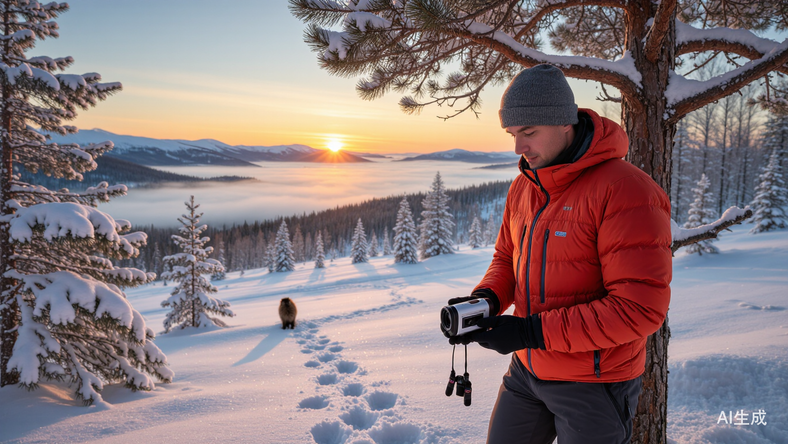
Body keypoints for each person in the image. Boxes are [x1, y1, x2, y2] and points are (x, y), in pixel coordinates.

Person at [449, 64, 672, 444]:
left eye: (529, 133)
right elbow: (506, 259)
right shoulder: (524, 188)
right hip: (527, 371)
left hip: (593, 382)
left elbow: (640, 309)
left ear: (564, 123)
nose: (519, 148)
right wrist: (485, 301)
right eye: (513, 134)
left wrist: (529, 331)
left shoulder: (626, 190)